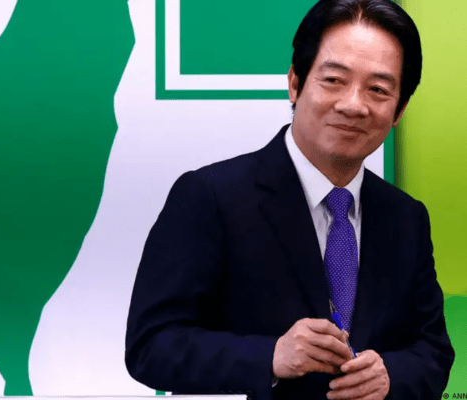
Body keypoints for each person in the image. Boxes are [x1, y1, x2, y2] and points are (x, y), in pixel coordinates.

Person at [125, 0, 454, 399]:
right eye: (334, 80)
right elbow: (150, 346)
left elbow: (433, 351)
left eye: (378, 90)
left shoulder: (405, 217)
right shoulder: (210, 196)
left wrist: (390, 377)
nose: (353, 105)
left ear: (399, 110)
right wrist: (270, 357)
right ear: (295, 83)